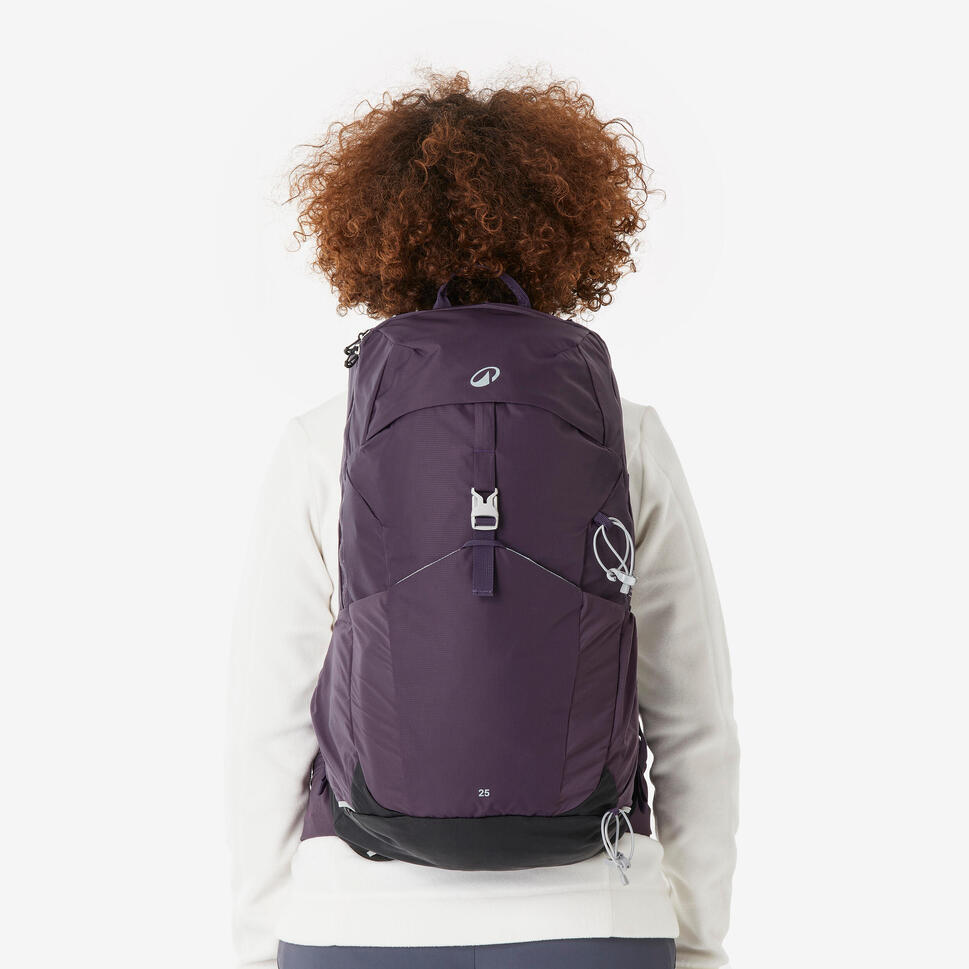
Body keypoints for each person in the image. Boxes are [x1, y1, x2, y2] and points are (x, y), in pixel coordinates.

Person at [227, 71, 740, 969]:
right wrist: (690, 940)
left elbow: (268, 728)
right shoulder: (624, 435)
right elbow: (693, 721)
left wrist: (262, 939)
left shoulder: (323, 441)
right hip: (594, 920)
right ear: (570, 237)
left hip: (358, 921)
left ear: (370, 240)